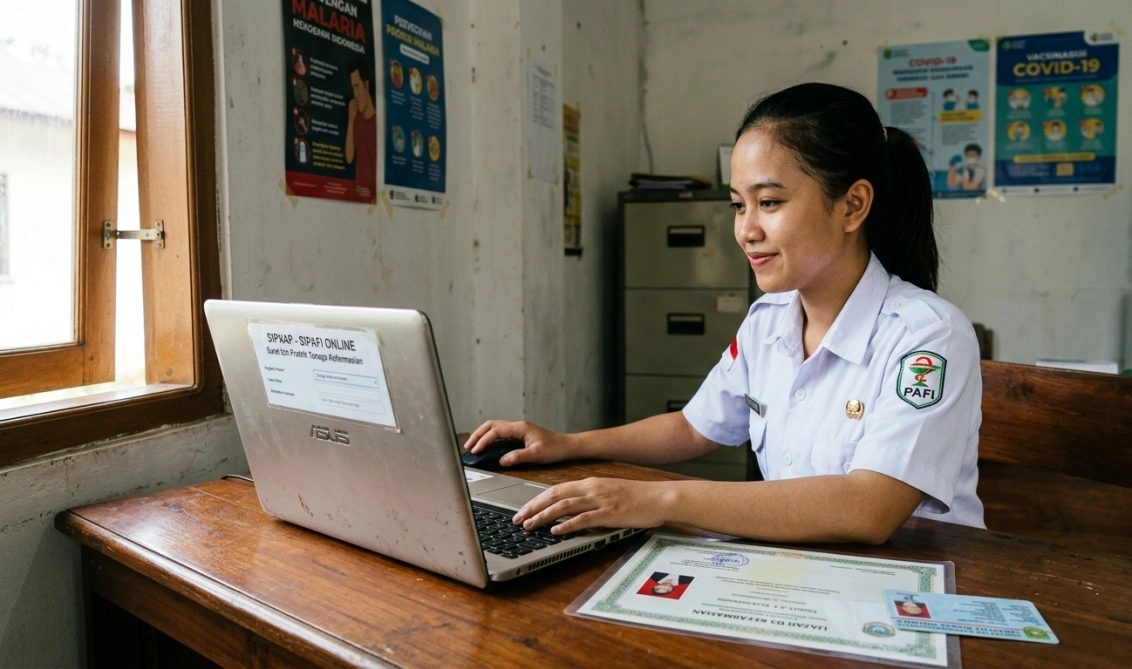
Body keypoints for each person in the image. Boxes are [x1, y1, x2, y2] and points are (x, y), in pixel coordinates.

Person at [464, 82, 984, 544]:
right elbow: (695, 429)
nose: (745, 231)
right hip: (800, 577)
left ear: (852, 205)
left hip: (912, 600)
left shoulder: (927, 336)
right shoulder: (768, 320)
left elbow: (868, 508)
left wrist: (655, 501)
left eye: (771, 203)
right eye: (738, 205)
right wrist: (567, 444)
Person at [344, 56, 376, 196]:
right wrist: (351, 121)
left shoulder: (377, 123)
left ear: (367, 86)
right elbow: (349, 157)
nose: (355, 94)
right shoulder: (356, 120)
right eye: (353, 88)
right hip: (359, 194)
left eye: (357, 87)